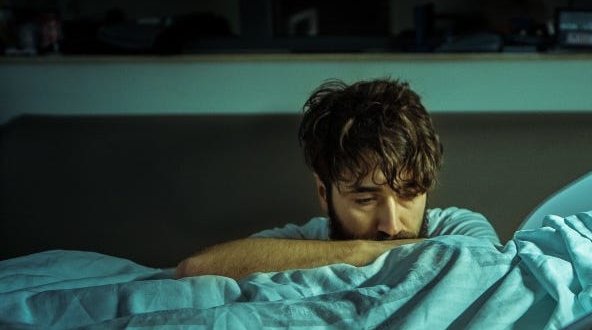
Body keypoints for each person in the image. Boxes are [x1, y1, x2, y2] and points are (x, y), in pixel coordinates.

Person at [176, 78, 500, 280]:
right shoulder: (307, 241)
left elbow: (486, 266)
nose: (391, 224)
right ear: (323, 193)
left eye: (408, 194)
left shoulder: (458, 228)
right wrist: (358, 251)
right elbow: (197, 268)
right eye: (365, 199)